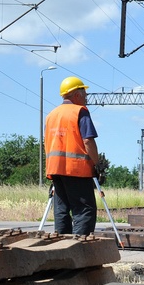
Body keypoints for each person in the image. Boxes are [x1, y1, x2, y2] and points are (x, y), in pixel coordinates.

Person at [44, 76, 100, 236]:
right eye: (84, 92)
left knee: (61, 209)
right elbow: (88, 141)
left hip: (55, 170)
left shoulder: (51, 115)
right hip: (76, 169)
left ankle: (61, 246)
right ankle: (79, 247)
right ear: (76, 94)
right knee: (84, 210)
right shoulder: (80, 112)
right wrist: (96, 164)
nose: (86, 97)